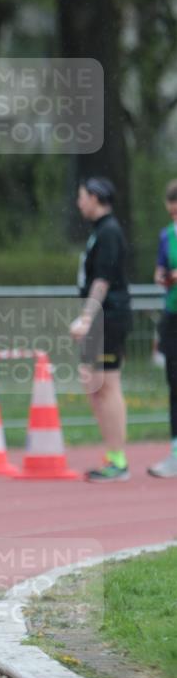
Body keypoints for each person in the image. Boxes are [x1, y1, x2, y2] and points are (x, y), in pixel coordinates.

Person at [69, 177, 132, 482]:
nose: (79, 202)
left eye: (82, 196)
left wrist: (86, 318)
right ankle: (113, 454)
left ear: (95, 197)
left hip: (109, 317)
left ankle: (118, 460)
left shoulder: (109, 232)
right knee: (94, 384)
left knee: (106, 385)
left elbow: (102, 280)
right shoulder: (100, 231)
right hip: (102, 318)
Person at [147, 178, 177, 478]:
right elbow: (160, 266)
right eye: (172, 212)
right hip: (173, 313)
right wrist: (161, 275)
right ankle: (176, 452)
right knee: (174, 383)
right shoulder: (166, 236)